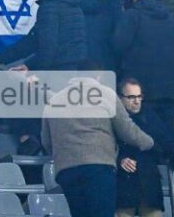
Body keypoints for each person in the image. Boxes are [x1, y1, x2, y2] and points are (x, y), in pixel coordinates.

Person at [41, 69, 154, 217]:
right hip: (98, 166)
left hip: (66, 170)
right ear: (98, 75)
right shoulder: (105, 94)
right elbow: (127, 131)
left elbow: (46, 141)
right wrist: (150, 142)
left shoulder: (54, 100)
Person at [116, 79, 174, 217]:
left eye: (139, 96)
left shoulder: (150, 117)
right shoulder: (111, 118)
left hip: (148, 185)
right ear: (120, 98)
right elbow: (103, 147)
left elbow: (169, 141)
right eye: (131, 97)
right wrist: (119, 159)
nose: (137, 101)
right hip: (122, 186)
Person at [112, 0, 174, 122]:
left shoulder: (132, 15)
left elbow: (118, 44)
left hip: (140, 83)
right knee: (167, 124)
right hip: (167, 82)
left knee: (143, 124)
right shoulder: (169, 16)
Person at [0, 0, 87, 71]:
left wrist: (32, 68)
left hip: (58, 67)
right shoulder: (74, 3)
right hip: (76, 63)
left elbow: (47, 46)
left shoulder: (49, 7)